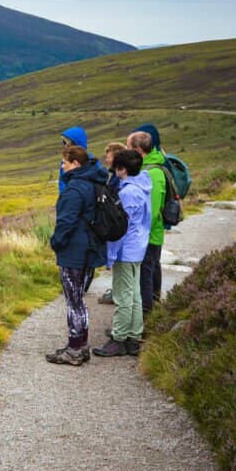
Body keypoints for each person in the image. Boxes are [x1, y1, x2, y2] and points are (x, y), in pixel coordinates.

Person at [46, 145, 108, 366]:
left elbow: (66, 222)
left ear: (75, 164)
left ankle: (74, 349)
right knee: (79, 300)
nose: (62, 166)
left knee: (74, 302)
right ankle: (80, 346)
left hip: (74, 251)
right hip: (89, 248)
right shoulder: (93, 182)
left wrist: (56, 242)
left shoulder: (75, 189)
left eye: (64, 162)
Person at [94, 149, 152, 357]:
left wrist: (110, 255)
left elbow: (120, 227)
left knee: (123, 295)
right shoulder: (143, 186)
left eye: (116, 168)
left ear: (122, 169)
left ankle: (119, 338)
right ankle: (133, 337)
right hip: (138, 247)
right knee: (134, 294)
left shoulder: (127, 193)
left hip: (126, 250)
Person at [127, 126, 167, 314]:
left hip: (148, 235)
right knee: (149, 270)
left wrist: (137, 234)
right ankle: (151, 309)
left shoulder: (152, 173)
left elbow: (152, 210)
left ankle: (145, 315)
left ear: (138, 150)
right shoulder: (145, 168)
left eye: (128, 147)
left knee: (145, 273)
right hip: (146, 234)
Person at [97, 141, 127, 305]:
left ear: (116, 158)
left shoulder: (117, 179)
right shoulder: (114, 176)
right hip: (120, 228)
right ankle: (117, 291)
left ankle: (119, 294)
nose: (106, 159)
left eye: (108, 156)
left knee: (121, 263)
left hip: (120, 229)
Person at [58, 126, 92, 195]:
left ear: (76, 143)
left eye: (68, 143)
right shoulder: (66, 160)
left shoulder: (90, 160)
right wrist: (63, 196)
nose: (66, 146)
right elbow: (62, 182)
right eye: (64, 143)